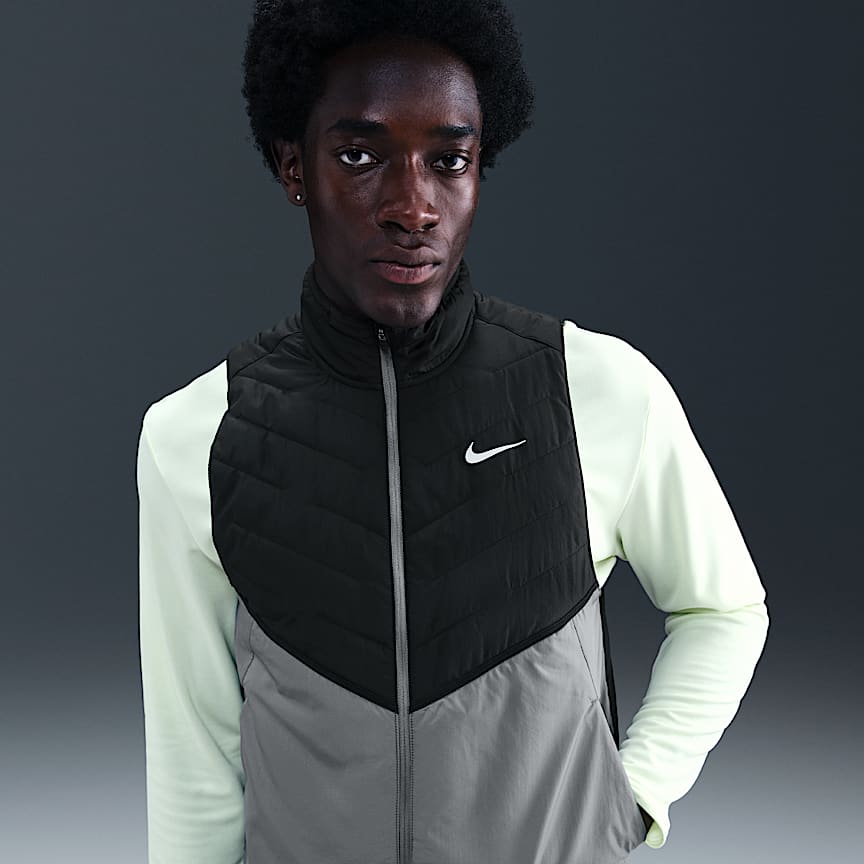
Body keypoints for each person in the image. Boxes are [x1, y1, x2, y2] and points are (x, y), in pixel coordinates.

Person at [136, 1, 770, 861]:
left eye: (449, 160)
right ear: (293, 167)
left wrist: (628, 800)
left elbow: (724, 609)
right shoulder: (197, 434)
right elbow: (194, 761)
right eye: (360, 156)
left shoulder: (596, 390)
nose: (413, 207)